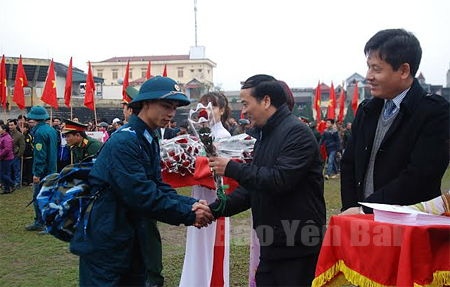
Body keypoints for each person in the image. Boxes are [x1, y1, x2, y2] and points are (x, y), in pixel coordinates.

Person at [70, 76, 213, 287]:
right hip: (107, 243)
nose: (171, 113)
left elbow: (157, 184)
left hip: (131, 239)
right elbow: (140, 193)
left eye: (174, 107)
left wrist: (189, 205)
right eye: (166, 106)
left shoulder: (146, 136)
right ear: (145, 103)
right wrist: (189, 213)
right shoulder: (125, 140)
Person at [204, 74, 326, 286]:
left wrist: (231, 168)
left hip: (297, 245)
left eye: (245, 103)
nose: (243, 111)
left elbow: (278, 180)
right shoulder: (266, 135)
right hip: (273, 243)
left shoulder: (297, 133)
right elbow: (253, 188)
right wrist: (213, 210)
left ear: (266, 101)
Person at [340, 29, 450, 215]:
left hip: (408, 226)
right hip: (361, 224)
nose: (369, 76)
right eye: (368, 67)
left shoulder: (434, 112)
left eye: (377, 69)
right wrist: (352, 209)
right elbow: (349, 164)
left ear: (404, 70)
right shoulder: (367, 111)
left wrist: (365, 210)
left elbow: (419, 177)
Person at [180, 92, 232, 287]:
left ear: (223, 110)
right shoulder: (200, 133)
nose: (207, 110)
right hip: (199, 193)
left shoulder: (223, 135)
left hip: (215, 195)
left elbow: (223, 170)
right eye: (203, 106)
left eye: (213, 106)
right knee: (196, 242)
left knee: (212, 244)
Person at [25, 106, 58, 232]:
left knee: (39, 197)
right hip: (52, 169)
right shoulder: (51, 130)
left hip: (43, 171)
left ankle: (41, 222)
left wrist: (37, 173)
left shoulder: (39, 133)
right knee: (49, 197)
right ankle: (47, 222)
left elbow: (40, 155)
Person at [8, 119, 25, 188]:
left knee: (16, 170)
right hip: (8, 155)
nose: (10, 127)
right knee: (8, 170)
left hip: (15, 155)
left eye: (12, 125)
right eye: (9, 125)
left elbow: (22, 146)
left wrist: (19, 155)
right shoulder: (7, 134)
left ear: (15, 125)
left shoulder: (19, 135)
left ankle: (17, 183)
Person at [0, 124, 16, 194]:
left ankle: (12, 183)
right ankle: (6, 189)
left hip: (6, 158)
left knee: (2, 174)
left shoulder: (7, 138)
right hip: (3, 158)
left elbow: (7, 149)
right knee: (3, 173)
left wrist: (0, 154)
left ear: (4, 130)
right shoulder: (2, 137)